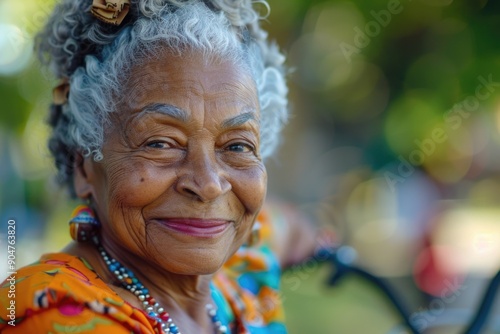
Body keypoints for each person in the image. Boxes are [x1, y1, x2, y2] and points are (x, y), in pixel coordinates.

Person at [0, 0, 321, 333]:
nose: (209, 184)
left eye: (237, 146)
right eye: (160, 143)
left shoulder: (238, 277)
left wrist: (322, 238)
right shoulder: (60, 314)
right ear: (85, 167)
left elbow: (283, 226)